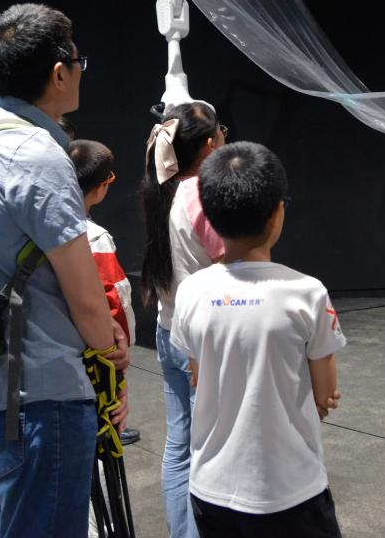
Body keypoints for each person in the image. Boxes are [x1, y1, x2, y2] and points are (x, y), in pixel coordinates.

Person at [0, 3, 129, 538]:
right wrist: (111, 348)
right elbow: (87, 300)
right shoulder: (38, 156)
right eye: (78, 62)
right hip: (39, 398)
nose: (79, 71)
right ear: (59, 73)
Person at [172, 141, 346, 537]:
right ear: (276, 213)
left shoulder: (191, 291)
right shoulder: (307, 293)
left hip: (211, 488)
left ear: (211, 216)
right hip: (290, 488)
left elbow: (197, 375)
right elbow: (325, 393)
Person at [141, 101, 226, 538]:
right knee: (208, 449)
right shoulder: (202, 196)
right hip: (202, 342)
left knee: (179, 444)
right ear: (209, 145)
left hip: (168, 328)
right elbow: (232, 261)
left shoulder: (164, 190)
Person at [68, 138, 140, 445]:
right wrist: (121, 353)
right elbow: (115, 301)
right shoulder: (96, 238)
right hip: (96, 359)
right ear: (100, 188)